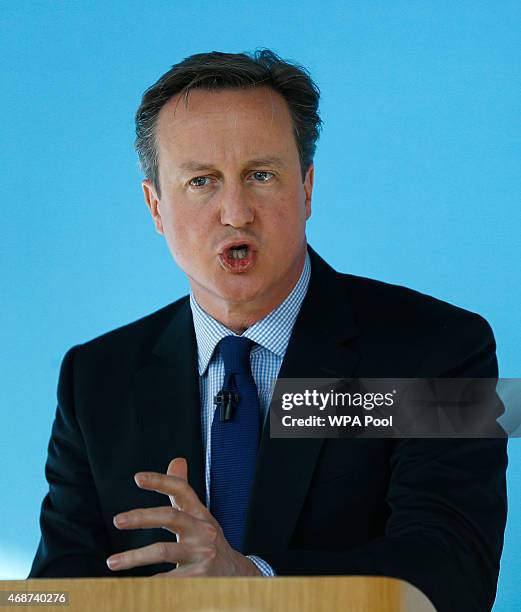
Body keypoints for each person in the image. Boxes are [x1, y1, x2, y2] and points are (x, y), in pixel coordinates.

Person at [29, 50, 507, 612]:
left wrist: (253, 581)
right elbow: (53, 594)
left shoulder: (443, 349)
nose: (236, 212)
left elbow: (453, 576)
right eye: (202, 181)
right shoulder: (95, 378)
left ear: (306, 188)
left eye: (261, 175)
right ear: (155, 207)